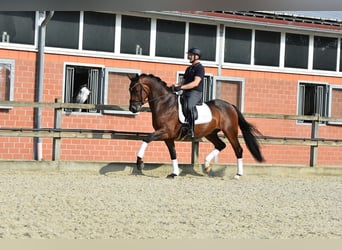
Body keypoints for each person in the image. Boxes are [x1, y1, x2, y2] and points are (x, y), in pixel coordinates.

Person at [173, 48, 205, 138]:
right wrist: (174, 86)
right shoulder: (189, 69)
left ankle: (191, 129)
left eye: (190, 55)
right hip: (186, 92)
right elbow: (182, 81)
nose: (188, 57)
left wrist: (181, 87)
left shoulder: (200, 68)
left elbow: (196, 83)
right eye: (189, 55)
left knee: (189, 106)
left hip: (195, 93)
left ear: (196, 56)